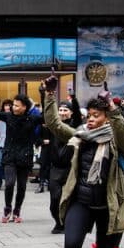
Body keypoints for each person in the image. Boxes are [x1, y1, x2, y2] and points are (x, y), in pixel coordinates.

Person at [43, 74, 124, 248]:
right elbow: (54, 124)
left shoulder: (116, 139)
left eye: (96, 115)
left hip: (108, 205)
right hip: (80, 201)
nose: (91, 119)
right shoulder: (79, 136)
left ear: (106, 118)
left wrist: (114, 110)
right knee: (71, 246)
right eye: (89, 115)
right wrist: (50, 95)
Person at [0, 90, 40, 223]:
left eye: (17, 105)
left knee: (22, 186)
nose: (14, 107)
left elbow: (48, 118)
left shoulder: (32, 118)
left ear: (25, 107)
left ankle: (17, 210)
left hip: (25, 156)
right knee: (10, 183)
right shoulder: (8, 116)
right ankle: (7, 208)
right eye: (14, 105)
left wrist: (45, 95)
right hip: (10, 155)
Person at [46, 95, 82, 234]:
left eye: (65, 110)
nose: (62, 112)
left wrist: (74, 99)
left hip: (70, 168)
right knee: (54, 198)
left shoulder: (76, 126)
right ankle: (58, 222)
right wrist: (46, 95)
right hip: (55, 168)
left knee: (69, 198)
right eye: (60, 110)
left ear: (71, 112)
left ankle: (67, 222)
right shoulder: (54, 127)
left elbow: (78, 115)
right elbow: (49, 115)